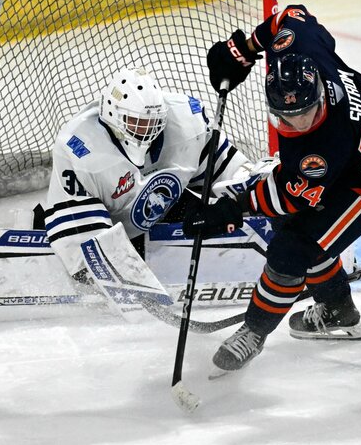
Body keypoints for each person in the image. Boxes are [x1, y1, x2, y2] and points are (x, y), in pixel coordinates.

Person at [183, 4, 361, 376]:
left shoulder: (322, 146)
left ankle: (253, 332)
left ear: (321, 94)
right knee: (294, 229)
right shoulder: (297, 47)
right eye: (286, 116)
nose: (297, 122)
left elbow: (286, 196)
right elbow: (290, 16)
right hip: (351, 160)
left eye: (304, 113)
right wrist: (244, 49)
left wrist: (232, 207)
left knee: (293, 247)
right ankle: (339, 309)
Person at [42, 64, 254, 284]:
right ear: (113, 116)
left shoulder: (185, 121)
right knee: (84, 258)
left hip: (166, 206)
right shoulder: (80, 149)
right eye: (137, 122)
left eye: (153, 123)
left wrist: (249, 192)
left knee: (246, 201)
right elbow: (84, 249)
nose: (147, 130)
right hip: (108, 225)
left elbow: (227, 169)